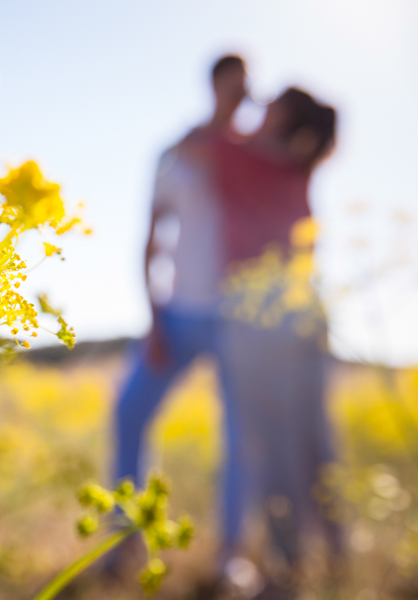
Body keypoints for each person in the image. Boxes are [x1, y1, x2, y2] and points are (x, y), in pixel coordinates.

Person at [112, 55, 248, 551]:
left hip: (239, 317)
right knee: (128, 413)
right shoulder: (175, 153)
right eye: (233, 86)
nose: (240, 97)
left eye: (246, 89)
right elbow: (151, 238)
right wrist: (153, 318)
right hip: (178, 312)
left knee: (239, 439)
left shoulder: (255, 154)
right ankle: (121, 544)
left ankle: (230, 558)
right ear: (213, 86)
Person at [214, 89, 341, 576]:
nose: (257, 108)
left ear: (283, 114)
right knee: (315, 441)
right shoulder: (296, 170)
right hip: (305, 310)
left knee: (269, 447)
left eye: (269, 104)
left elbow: (201, 140)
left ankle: (288, 568)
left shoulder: (244, 157)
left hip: (257, 318)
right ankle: (337, 554)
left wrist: (233, 97)